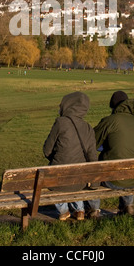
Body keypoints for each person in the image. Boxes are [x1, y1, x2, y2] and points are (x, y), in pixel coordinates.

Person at [43, 91, 100, 221]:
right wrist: (95, 182)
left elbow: (47, 150)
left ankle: (63, 211)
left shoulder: (60, 122)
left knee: (55, 179)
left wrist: (57, 158)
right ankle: (79, 210)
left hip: (58, 180)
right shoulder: (88, 128)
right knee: (75, 180)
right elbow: (92, 157)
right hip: (79, 181)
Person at [94, 91, 134, 216]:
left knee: (91, 170)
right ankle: (128, 206)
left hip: (111, 180)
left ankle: (93, 209)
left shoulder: (110, 121)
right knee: (129, 162)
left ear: (113, 106)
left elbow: (91, 143)